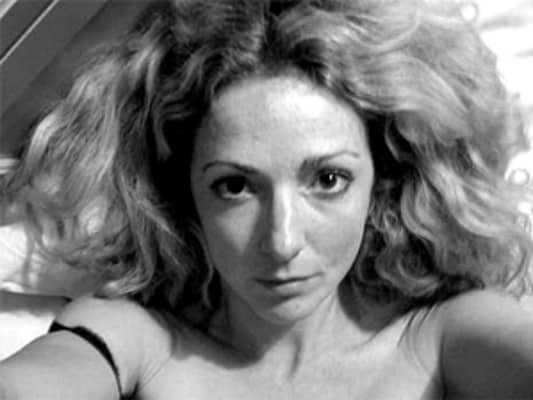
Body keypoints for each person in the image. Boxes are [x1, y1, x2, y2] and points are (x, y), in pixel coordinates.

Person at [1, 0, 533, 398]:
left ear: (382, 180)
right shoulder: (135, 341)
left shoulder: (444, 336)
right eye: (235, 186)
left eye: (328, 180)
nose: (281, 241)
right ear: (185, 193)